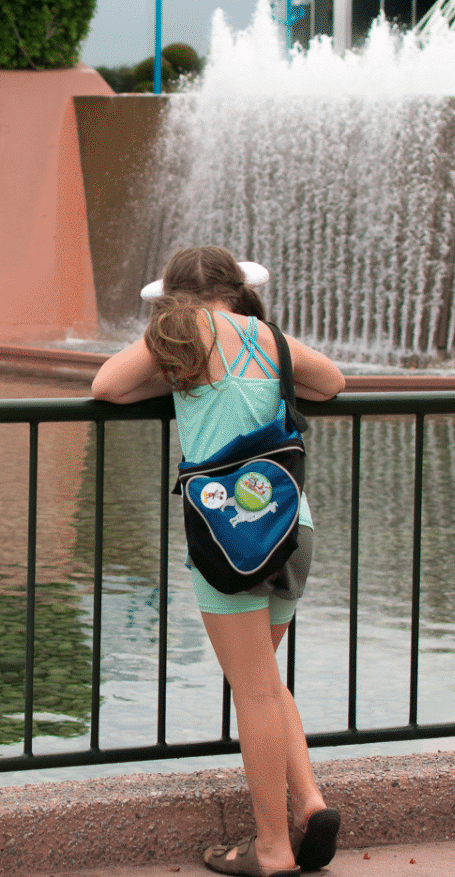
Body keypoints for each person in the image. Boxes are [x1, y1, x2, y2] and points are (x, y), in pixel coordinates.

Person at [91, 246, 346, 876]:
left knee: (253, 689)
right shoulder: (268, 337)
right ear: (237, 290)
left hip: (230, 534)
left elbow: (105, 386)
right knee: (264, 677)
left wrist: (167, 374)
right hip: (291, 525)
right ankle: (309, 804)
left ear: (172, 298)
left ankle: (271, 850)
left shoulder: (182, 331)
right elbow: (333, 382)